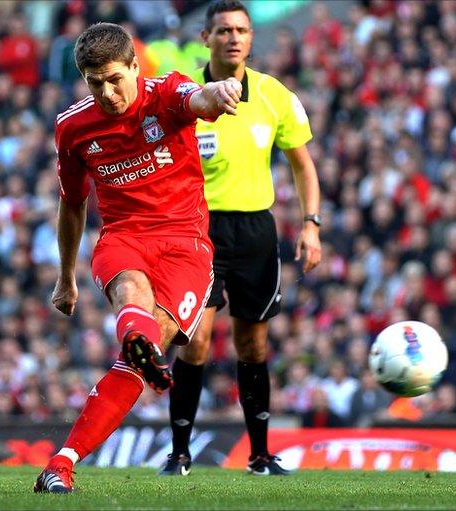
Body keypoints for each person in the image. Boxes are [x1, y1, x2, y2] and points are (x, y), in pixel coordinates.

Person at [33, 22, 242, 493]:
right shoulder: (73, 126)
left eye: (114, 79)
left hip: (186, 245)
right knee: (131, 291)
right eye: (94, 82)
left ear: (134, 66)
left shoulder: (164, 93)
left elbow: (201, 99)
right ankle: (137, 341)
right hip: (123, 236)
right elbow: (72, 203)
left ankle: (60, 463)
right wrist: (66, 277)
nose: (107, 93)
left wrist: (223, 89)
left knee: (144, 344)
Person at [161, 0, 321, 477]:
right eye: (224, 30)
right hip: (198, 231)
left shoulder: (275, 96)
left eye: (242, 30)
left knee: (252, 346)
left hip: (255, 230)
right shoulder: (183, 94)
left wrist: (311, 224)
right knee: (197, 342)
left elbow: (302, 165)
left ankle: (260, 455)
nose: (233, 37)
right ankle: (180, 453)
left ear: (251, 39)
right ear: (206, 38)